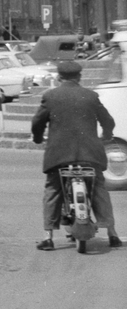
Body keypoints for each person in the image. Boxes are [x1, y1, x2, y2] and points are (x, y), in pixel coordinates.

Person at [32, 59, 120, 250]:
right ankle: (112, 233)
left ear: (59, 76)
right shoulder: (90, 96)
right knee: (99, 188)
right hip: (90, 153)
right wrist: (107, 134)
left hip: (59, 155)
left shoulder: (50, 96)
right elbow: (107, 120)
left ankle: (48, 236)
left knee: (53, 191)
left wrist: (38, 137)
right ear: (79, 77)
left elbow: (37, 122)